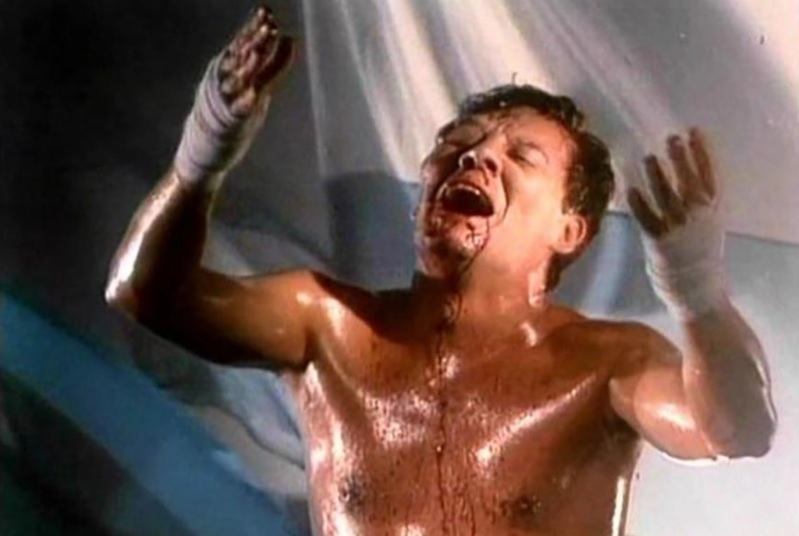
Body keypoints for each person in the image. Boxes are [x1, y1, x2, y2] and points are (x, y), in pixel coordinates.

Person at [105, 7, 776, 536]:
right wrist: (201, 156)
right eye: (456, 143)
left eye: (522, 156)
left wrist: (696, 291)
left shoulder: (610, 363)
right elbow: (144, 292)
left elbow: (737, 430)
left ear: (570, 231)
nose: (476, 157)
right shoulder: (327, 325)